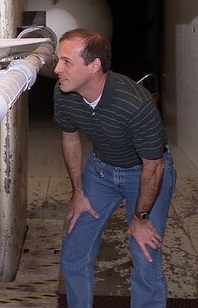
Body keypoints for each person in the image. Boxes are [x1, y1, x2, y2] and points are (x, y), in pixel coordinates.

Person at [52, 28, 177, 308]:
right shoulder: (65, 93)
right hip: (100, 171)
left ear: (94, 65)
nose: (57, 68)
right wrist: (78, 192)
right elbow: (70, 137)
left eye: (66, 62)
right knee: (74, 251)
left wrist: (141, 219)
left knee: (144, 254)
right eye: (58, 60)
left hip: (144, 174)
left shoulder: (134, 103)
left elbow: (154, 166)